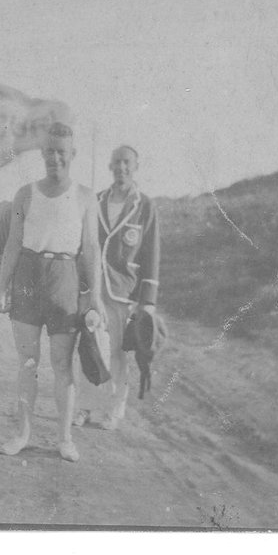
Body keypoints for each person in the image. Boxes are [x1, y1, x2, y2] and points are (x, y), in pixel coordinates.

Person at [0, 122, 104, 462]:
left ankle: (64, 438)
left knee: (62, 366)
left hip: (64, 280)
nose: (55, 157)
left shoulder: (86, 197)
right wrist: (1, 285)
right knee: (27, 363)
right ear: (42, 154)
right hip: (28, 277)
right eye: (49, 151)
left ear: (72, 154)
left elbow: (91, 250)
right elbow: (12, 243)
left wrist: (95, 298)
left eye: (62, 151)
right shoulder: (23, 195)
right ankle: (23, 434)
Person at [74, 145, 160, 430]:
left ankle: (113, 411)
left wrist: (147, 302)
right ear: (110, 167)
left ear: (136, 166)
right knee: (88, 346)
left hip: (123, 292)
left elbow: (151, 255)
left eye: (127, 163)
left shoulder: (144, 206)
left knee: (117, 354)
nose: (121, 168)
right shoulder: (95, 200)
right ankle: (85, 407)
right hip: (93, 290)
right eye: (117, 163)